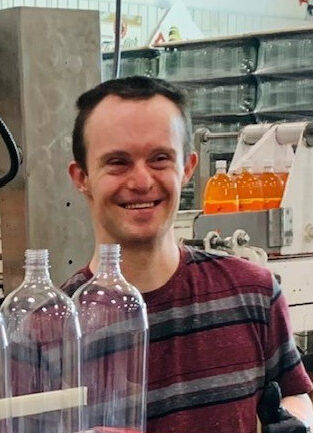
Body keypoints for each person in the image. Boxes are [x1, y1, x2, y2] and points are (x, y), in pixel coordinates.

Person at [62, 76, 313, 433]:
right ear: (81, 177)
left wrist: (290, 425)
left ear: (188, 167)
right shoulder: (53, 324)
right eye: (117, 162)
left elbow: (297, 394)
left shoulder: (252, 292)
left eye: (160, 159)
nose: (141, 181)